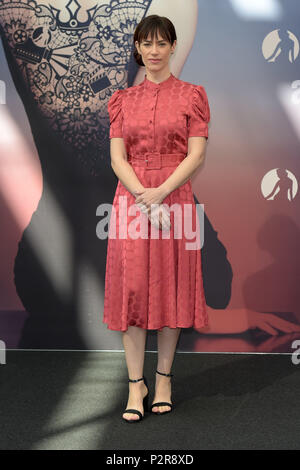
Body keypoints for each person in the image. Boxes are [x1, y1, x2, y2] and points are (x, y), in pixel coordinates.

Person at [103, 15, 211, 422]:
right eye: (145, 44)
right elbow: (117, 158)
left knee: (171, 287)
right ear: (137, 47)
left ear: (172, 47)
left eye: (161, 43)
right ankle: (136, 384)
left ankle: (163, 378)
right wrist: (143, 198)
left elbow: (196, 154)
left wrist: (161, 193)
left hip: (175, 197)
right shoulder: (121, 100)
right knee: (133, 291)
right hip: (132, 198)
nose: (153, 51)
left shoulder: (192, 95)